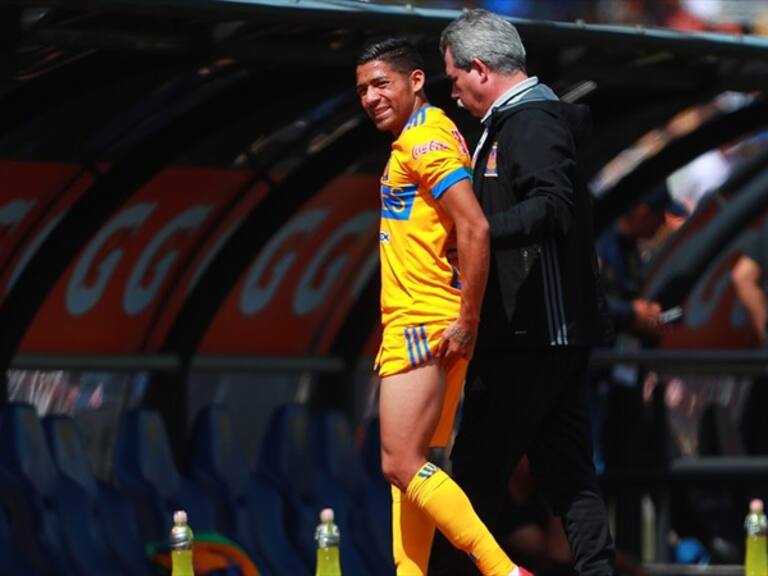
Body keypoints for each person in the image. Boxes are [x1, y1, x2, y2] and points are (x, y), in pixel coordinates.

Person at [432, 10, 616, 576]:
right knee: (567, 474)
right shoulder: (515, 123)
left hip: (533, 332)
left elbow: (554, 206)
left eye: (454, 79)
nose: (454, 94)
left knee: (476, 473)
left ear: (480, 69)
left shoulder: (531, 123)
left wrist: (479, 233)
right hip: (546, 333)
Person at [355, 37, 524, 576]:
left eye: (381, 83)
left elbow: (473, 225)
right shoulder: (428, 134)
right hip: (433, 317)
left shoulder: (424, 141)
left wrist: (467, 319)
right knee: (414, 467)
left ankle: (503, 571)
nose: (370, 97)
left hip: (423, 318)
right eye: (362, 89)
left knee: (397, 461)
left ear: (416, 80)